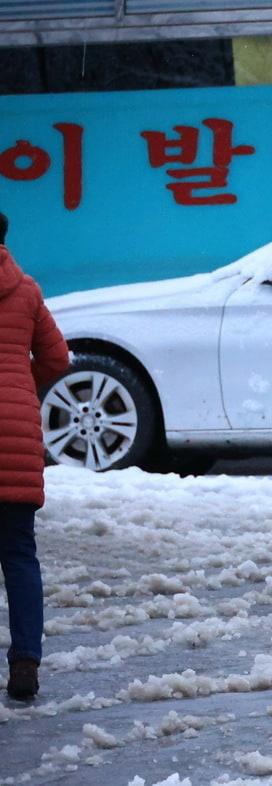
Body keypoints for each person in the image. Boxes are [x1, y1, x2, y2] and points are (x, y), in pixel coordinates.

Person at [0, 213, 71, 701]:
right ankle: (25, 663)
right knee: (20, 556)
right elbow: (57, 358)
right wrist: (21, 378)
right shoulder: (24, 290)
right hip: (15, 437)